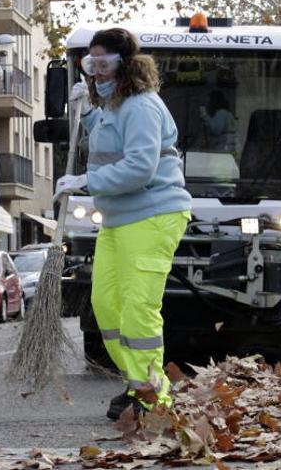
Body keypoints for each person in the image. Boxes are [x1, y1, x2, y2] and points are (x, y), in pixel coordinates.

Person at [54, 28, 192, 420]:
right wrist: (90, 112)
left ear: (125, 65)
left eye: (103, 64)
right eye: (90, 64)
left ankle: (154, 397)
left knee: (137, 307)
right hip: (119, 219)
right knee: (106, 306)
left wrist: (85, 182)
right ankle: (137, 382)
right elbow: (110, 141)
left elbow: (139, 168)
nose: (96, 73)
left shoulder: (142, 106)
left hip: (152, 215)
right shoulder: (115, 107)